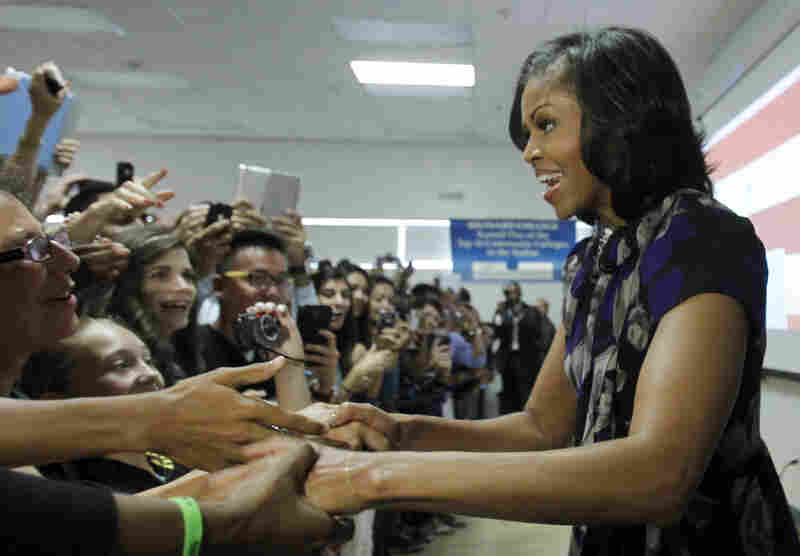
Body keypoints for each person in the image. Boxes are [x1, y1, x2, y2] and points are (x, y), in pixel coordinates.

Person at [286, 27, 800, 555]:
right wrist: (399, 432)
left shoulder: (698, 236)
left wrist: (375, 478)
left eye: (546, 125)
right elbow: (539, 428)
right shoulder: (590, 262)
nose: (530, 152)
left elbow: (659, 474)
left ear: (620, 121)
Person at [175, 228, 312, 410]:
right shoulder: (189, 348)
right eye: (257, 278)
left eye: (280, 280)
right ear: (218, 285)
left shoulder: (278, 351)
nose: (272, 292)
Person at [493, 281, 554, 413]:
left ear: (519, 293)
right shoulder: (501, 312)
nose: (511, 295)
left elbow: (541, 335)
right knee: (508, 395)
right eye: (508, 293)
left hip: (526, 360)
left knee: (525, 394)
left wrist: (538, 354)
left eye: (513, 292)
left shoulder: (531, 312)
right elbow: (497, 334)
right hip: (507, 360)